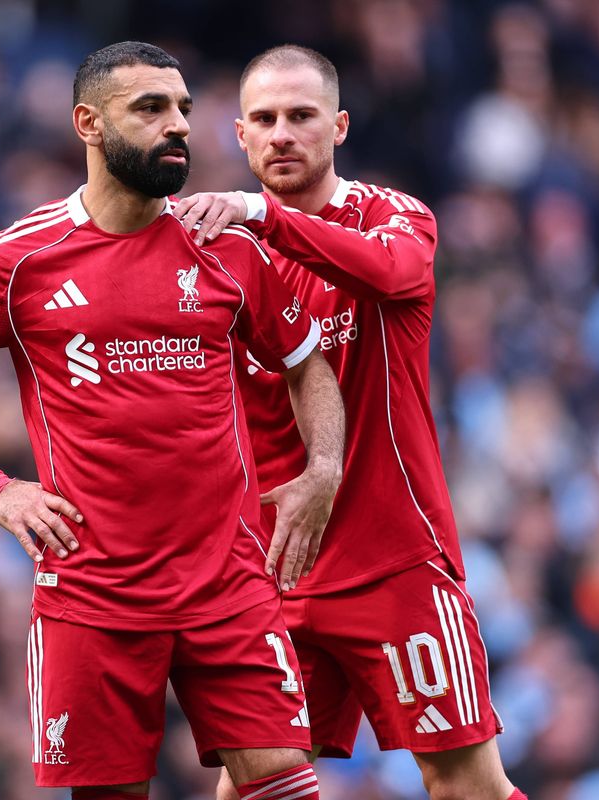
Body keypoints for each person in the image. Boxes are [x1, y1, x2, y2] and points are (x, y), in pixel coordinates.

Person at [0, 42, 345, 800]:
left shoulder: (226, 246)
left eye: (185, 109)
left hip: (227, 581)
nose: (179, 126)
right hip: (94, 594)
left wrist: (322, 470)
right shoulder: (17, 261)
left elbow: (306, 363)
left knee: (287, 787)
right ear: (88, 124)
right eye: (151, 108)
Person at [174, 45, 526, 800]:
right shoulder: (216, 257)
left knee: (468, 786)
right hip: (278, 571)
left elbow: (395, 273)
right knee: (253, 787)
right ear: (238, 136)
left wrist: (264, 215)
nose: (282, 134)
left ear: (338, 126)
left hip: (394, 560)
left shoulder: (394, 218)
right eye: (263, 120)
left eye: (301, 116)